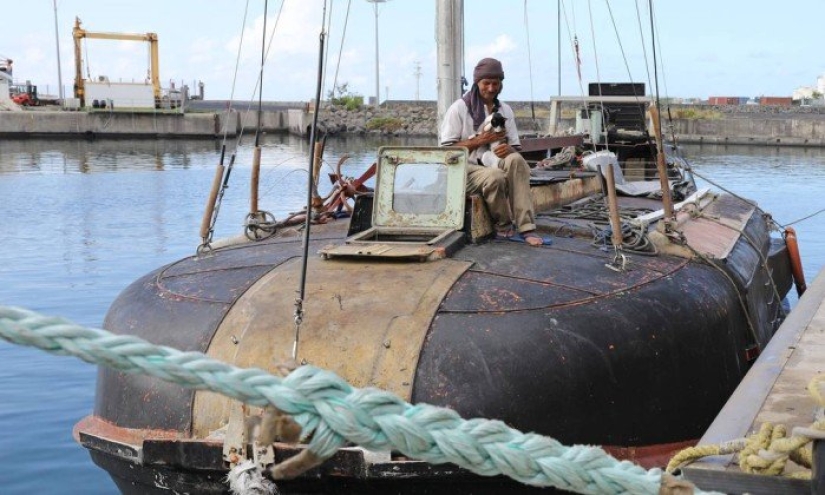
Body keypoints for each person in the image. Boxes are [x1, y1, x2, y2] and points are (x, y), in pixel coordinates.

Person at [439, 57, 544, 246]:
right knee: (495, 176)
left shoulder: (505, 110)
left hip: (492, 159)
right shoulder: (459, 109)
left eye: (495, 83)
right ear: (477, 83)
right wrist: (480, 140)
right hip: (464, 169)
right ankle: (504, 226)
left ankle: (527, 227)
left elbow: (516, 146)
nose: (491, 88)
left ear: (500, 84)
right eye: (486, 83)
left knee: (518, 161)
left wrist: (510, 148)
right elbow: (447, 153)